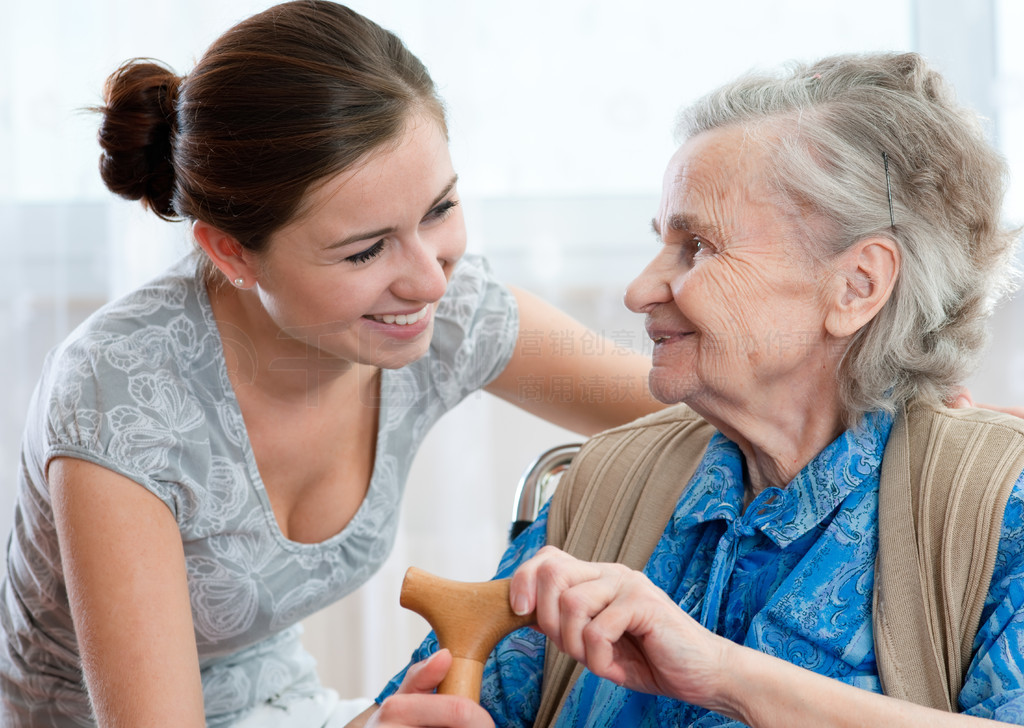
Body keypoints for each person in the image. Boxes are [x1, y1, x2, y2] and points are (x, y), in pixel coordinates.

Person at [0, 2, 664, 726]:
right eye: (365, 250)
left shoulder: (446, 313)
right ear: (230, 252)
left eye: (439, 209)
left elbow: (693, 405)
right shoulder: (118, 396)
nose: (430, 280)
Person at [364, 52, 1024, 727]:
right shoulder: (610, 481)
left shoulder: (999, 510)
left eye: (697, 246)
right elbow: (425, 707)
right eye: (662, 242)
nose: (640, 291)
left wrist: (726, 676)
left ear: (856, 286)